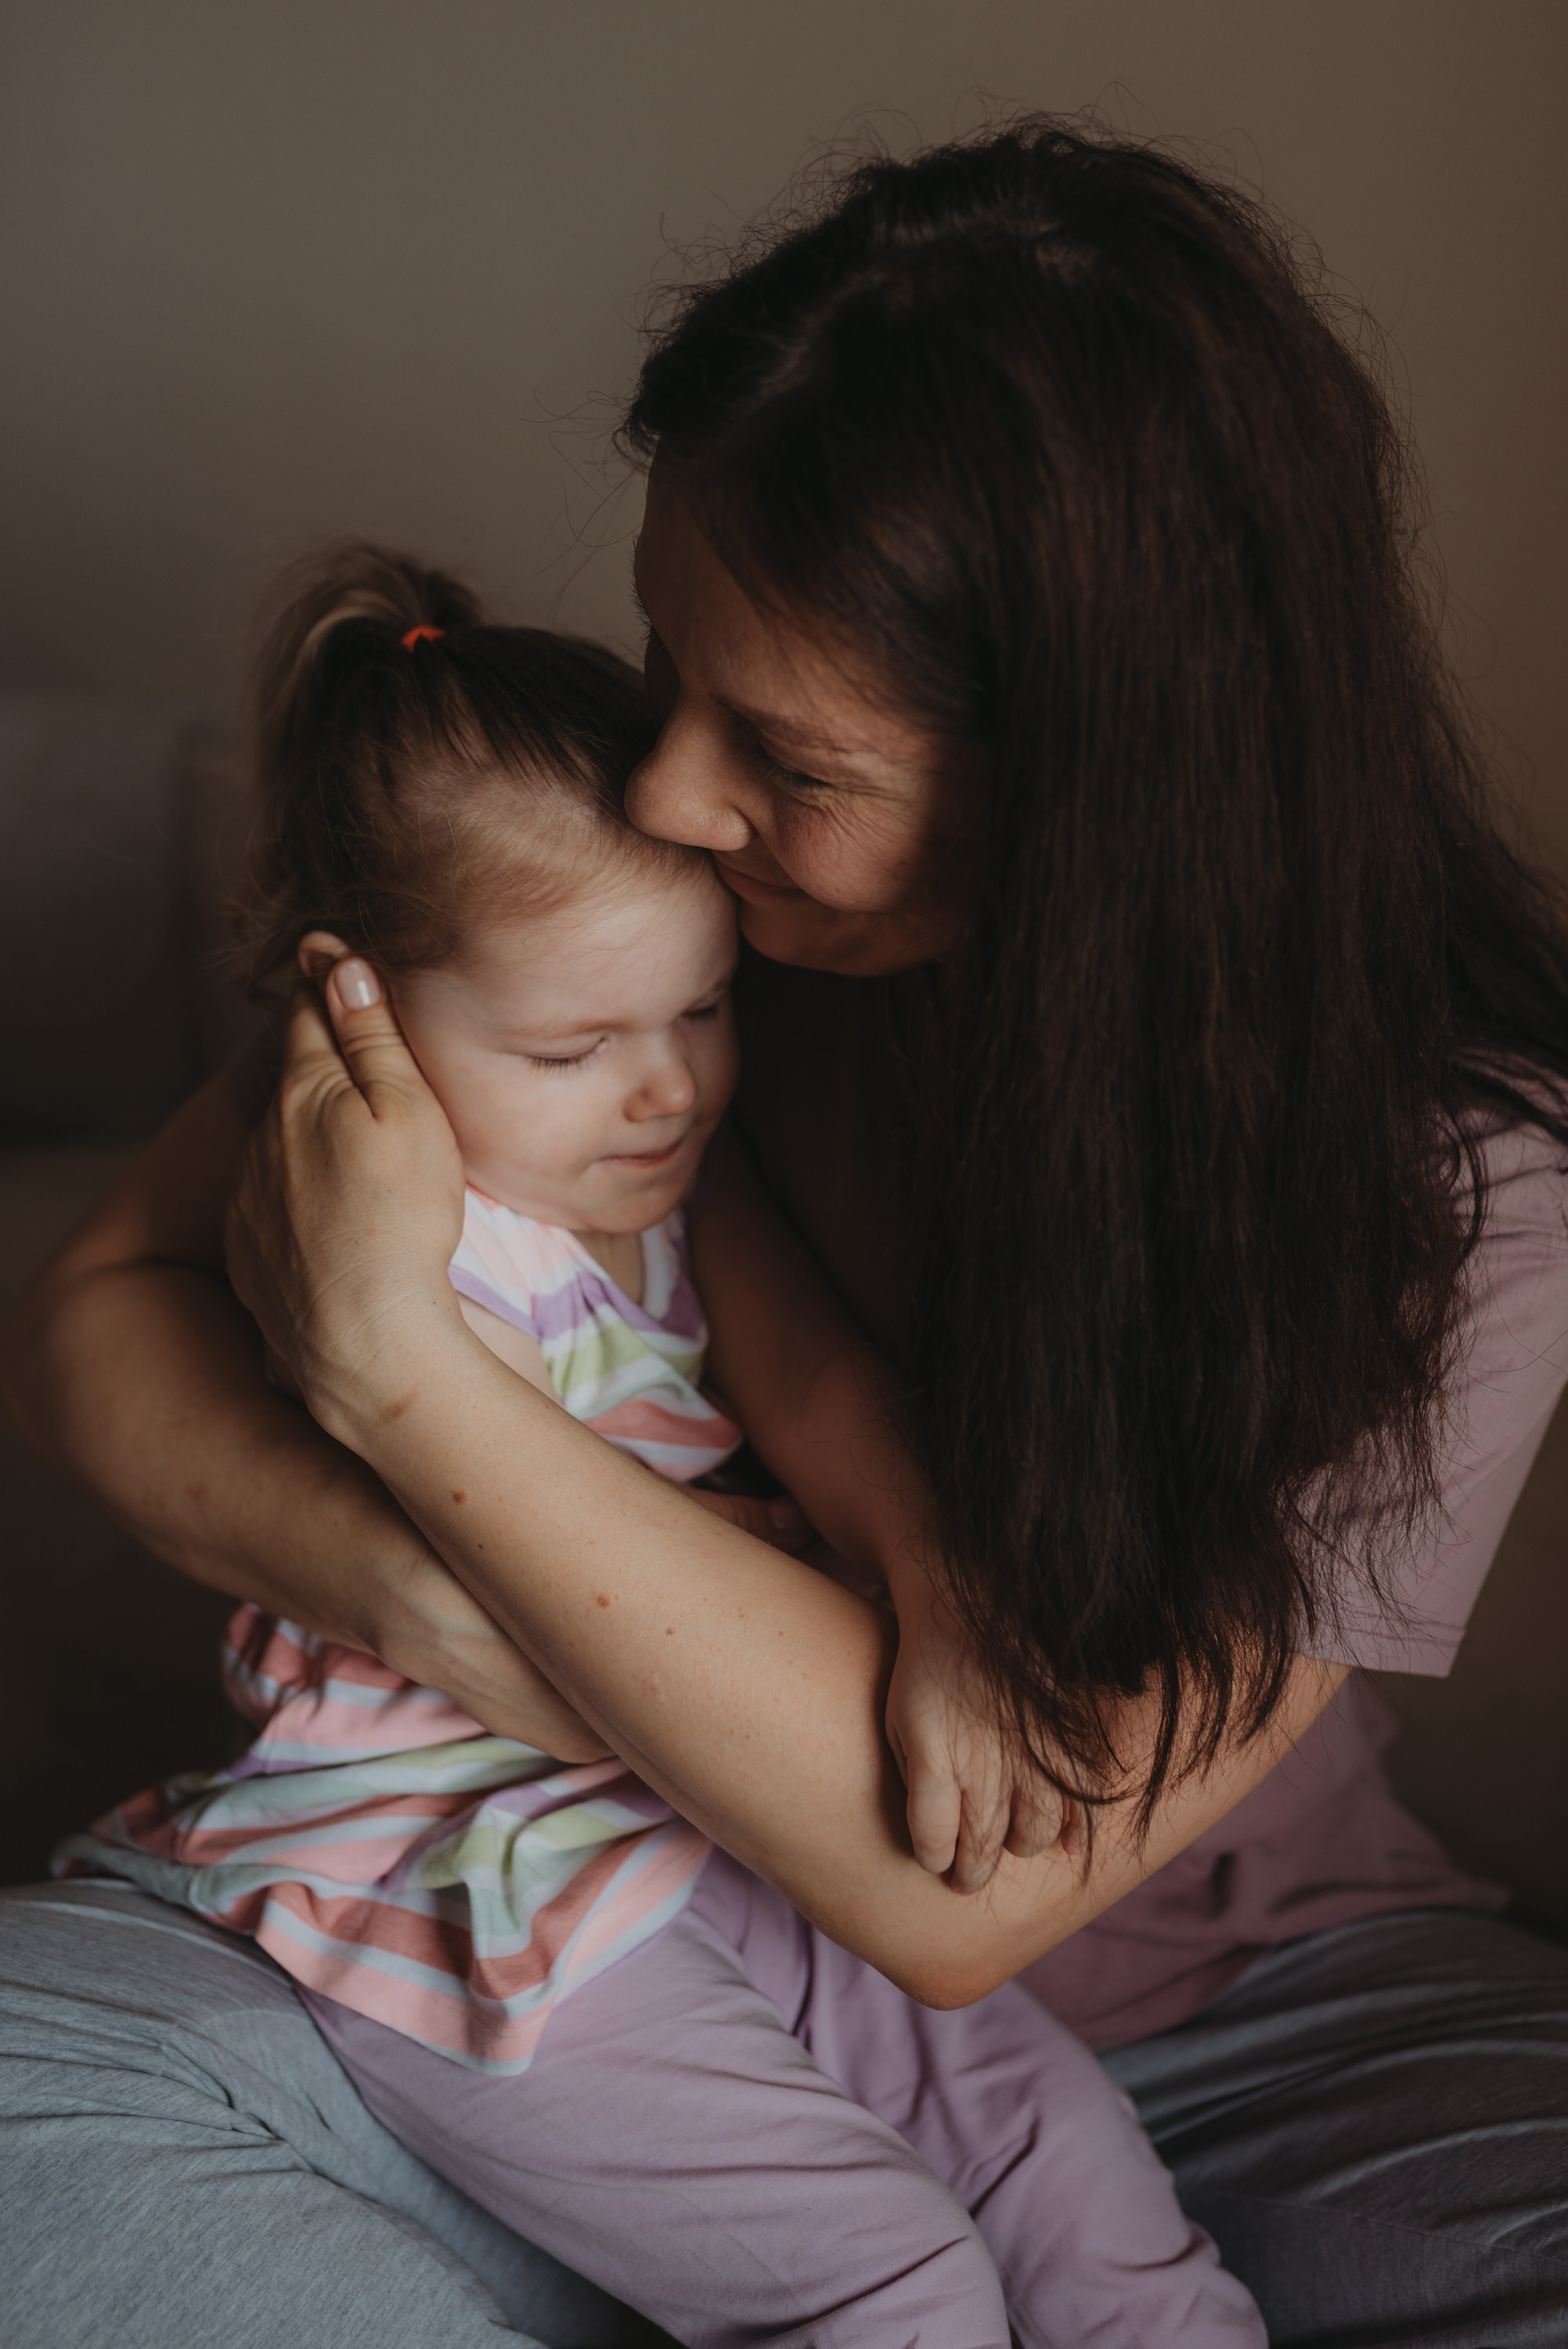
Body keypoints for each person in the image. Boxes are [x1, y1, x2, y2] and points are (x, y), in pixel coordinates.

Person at [7, 118, 1568, 2349]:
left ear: (1096, 775)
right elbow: (89, 1313)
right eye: (670, 667)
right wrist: (419, 1594)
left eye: (786, 754)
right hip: (543, 1918)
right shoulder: (665, 963)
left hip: (1247, 2015)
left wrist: (399, 1378)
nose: (664, 797)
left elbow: (962, 1904)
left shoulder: (1460, 1179)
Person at [55, 541, 1263, 2347]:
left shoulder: (670, 1182)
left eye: (703, 1010)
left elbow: (820, 1385)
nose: (666, 1085)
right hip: (461, 1878)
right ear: (352, 1006)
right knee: (894, 2278)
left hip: (707, 1832)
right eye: (575, 1042)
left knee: (1070, 2166)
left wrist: (940, 1590)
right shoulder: (383, 1211)